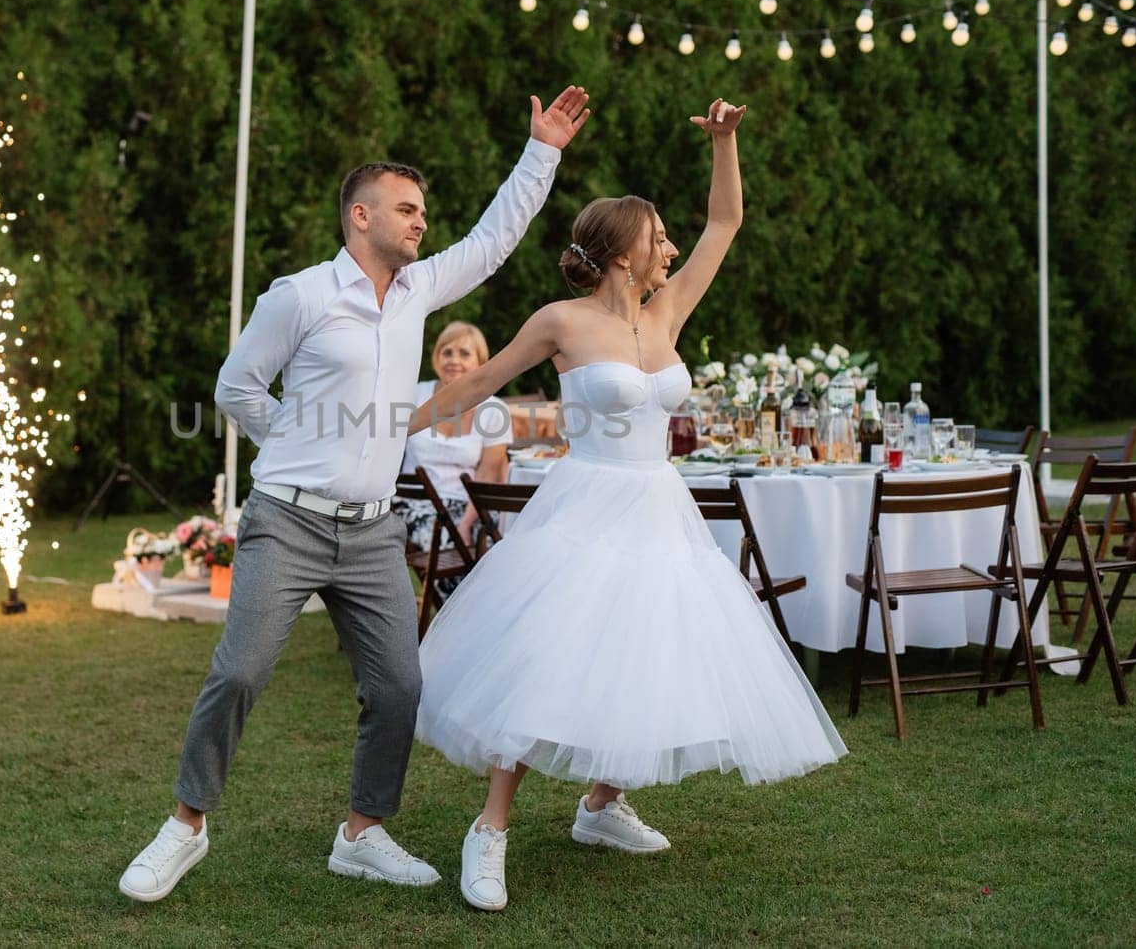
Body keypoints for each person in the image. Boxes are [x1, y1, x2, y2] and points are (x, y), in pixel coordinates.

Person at [117, 86, 592, 903]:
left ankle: (362, 834)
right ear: (360, 218)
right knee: (238, 675)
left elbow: (495, 239)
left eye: (422, 211)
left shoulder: (416, 293)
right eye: (406, 209)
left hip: (374, 534)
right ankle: (185, 827)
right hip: (288, 521)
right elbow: (236, 387)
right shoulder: (299, 295)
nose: (420, 222)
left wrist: (541, 150)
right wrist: (295, 444)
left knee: (399, 688)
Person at [405, 99, 846, 913]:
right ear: (619, 251)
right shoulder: (560, 321)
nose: (671, 245)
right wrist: (377, 427)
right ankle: (490, 830)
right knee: (550, 656)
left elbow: (727, 221)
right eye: (658, 237)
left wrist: (727, 142)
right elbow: (474, 383)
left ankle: (601, 806)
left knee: (645, 652)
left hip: (657, 509)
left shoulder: (667, 310)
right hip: (584, 507)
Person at [394, 321, 511, 602]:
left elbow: (489, 472)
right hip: (415, 505)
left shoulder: (494, 409)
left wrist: (466, 522)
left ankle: (484, 625)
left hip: (469, 506)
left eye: (464, 353)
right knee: (449, 550)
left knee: (501, 550)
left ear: (481, 361)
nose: (454, 361)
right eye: (447, 352)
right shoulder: (413, 396)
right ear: (436, 358)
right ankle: (459, 630)